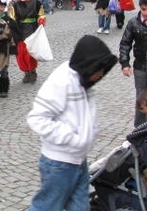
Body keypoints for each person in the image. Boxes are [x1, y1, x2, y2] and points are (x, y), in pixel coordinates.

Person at [27, 35, 117, 211]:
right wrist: (72, 138)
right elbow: (37, 118)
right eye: (99, 70)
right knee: (46, 207)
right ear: (89, 65)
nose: (101, 75)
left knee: (80, 207)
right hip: (58, 163)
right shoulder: (61, 82)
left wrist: (87, 136)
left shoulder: (84, 80)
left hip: (78, 159)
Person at [118, 0, 147, 127]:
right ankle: (138, 130)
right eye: (143, 9)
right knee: (141, 99)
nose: (146, 12)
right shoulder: (134, 23)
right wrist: (125, 63)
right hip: (140, 67)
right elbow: (125, 43)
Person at [8, 0, 45, 83]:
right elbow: (12, 17)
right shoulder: (16, 4)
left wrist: (41, 20)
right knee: (21, 52)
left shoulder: (36, 3)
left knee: (30, 52)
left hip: (32, 28)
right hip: (20, 30)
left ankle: (32, 71)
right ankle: (26, 72)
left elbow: (41, 14)